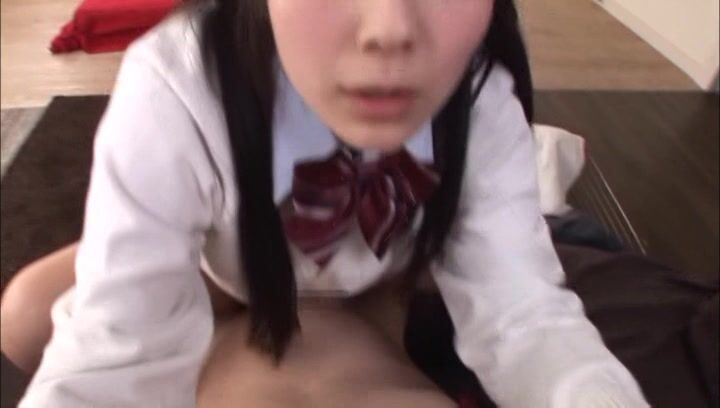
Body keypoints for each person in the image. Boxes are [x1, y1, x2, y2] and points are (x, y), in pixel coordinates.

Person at [1, 0, 650, 406]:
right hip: (222, 259)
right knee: (26, 316)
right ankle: (183, 244)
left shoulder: (480, 101)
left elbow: (524, 316)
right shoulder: (177, 82)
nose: (389, 29)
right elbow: (113, 354)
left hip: (372, 281)